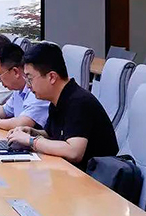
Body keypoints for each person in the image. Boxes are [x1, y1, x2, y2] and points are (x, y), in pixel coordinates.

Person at [7, 42, 118, 171]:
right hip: (70, 172)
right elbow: (53, 136)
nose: (28, 86)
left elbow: (74, 152)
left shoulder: (79, 102)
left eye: (30, 79)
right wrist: (33, 132)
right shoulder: (57, 99)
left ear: (52, 77)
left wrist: (31, 141)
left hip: (95, 177)